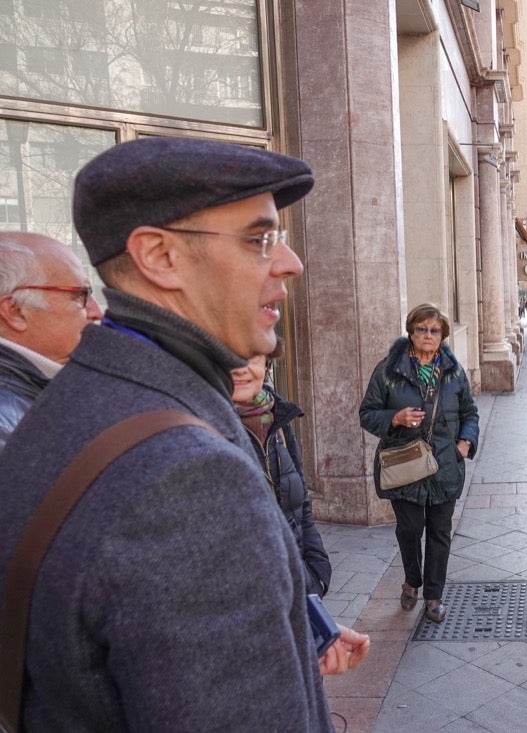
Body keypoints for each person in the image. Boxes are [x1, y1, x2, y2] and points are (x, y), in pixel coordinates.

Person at [0, 137, 367, 731]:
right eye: (259, 239)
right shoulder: (187, 480)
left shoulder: (82, 399)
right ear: (159, 257)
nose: (290, 263)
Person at [359, 303, 480, 622]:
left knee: (440, 530)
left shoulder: (454, 373)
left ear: (443, 335)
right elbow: (367, 414)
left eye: (435, 330)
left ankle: (434, 595)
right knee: (410, 529)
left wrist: (465, 443)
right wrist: (394, 417)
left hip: (445, 465)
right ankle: (412, 580)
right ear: (410, 332)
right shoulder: (388, 371)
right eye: (422, 329)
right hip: (404, 466)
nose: (428, 335)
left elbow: (470, 412)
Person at [232, 346, 332, 598]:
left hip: (298, 580)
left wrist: (316, 572)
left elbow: (302, 506)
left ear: (266, 369)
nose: (241, 368)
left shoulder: (278, 419)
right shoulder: (205, 429)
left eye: (251, 358)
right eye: (230, 357)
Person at [0, 232, 103, 449]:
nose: (96, 312)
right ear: (16, 311)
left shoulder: (33, 388)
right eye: (80, 295)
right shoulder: (8, 424)